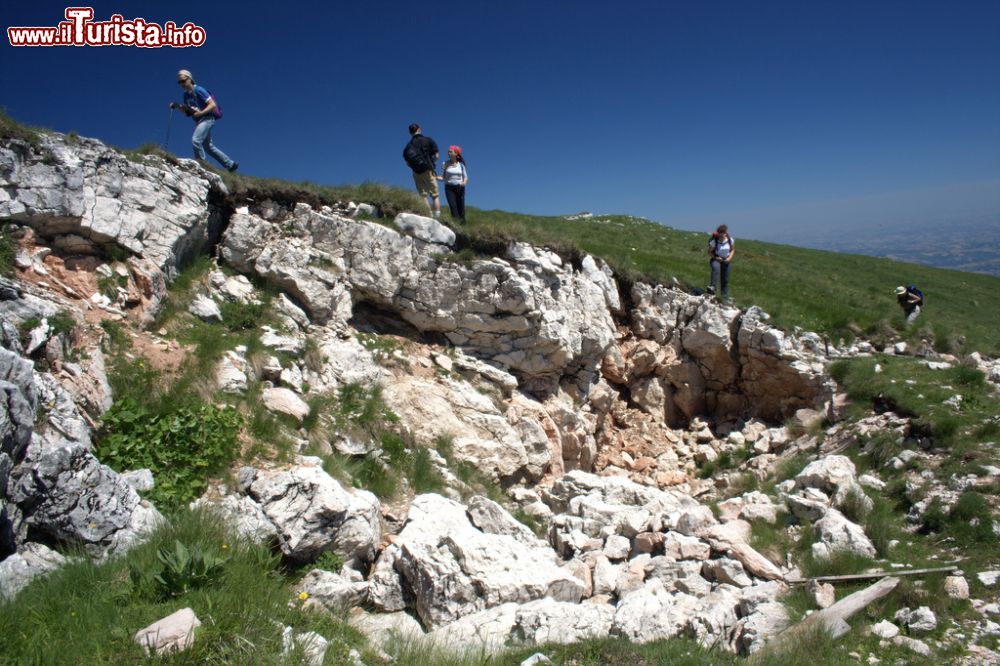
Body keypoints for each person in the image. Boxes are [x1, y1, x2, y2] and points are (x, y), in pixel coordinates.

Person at [170, 69, 238, 172]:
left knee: (196, 140)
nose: (181, 84)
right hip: (199, 121)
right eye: (179, 82)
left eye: (183, 81)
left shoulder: (199, 90)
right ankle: (231, 164)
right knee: (208, 147)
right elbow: (187, 111)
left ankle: (201, 166)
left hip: (207, 118)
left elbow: (212, 104)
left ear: (190, 79)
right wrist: (177, 106)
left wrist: (201, 113)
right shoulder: (186, 96)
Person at [403, 123, 440, 219]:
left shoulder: (408, 146)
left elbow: (407, 163)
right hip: (428, 170)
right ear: (419, 129)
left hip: (416, 172)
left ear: (410, 133)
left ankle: (429, 216)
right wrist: (431, 162)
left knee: (423, 196)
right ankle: (437, 217)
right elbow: (436, 156)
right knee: (435, 195)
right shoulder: (428, 140)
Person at [437, 145, 468, 224]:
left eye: (451, 151)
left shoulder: (461, 165)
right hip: (449, 188)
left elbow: (465, 177)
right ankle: (456, 224)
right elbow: (443, 177)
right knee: (453, 206)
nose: (448, 153)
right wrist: (435, 177)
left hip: (459, 187)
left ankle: (463, 224)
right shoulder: (445, 164)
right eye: (448, 151)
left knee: (461, 207)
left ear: (456, 153)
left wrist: (463, 183)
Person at [707, 224, 735, 300]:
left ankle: (724, 296)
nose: (722, 234)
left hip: (726, 260)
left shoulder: (730, 240)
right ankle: (713, 288)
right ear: (718, 233)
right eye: (720, 233)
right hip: (716, 259)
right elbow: (709, 252)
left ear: (726, 232)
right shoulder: (714, 241)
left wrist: (729, 258)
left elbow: (732, 250)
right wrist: (716, 257)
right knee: (716, 269)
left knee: (725, 278)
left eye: (723, 233)